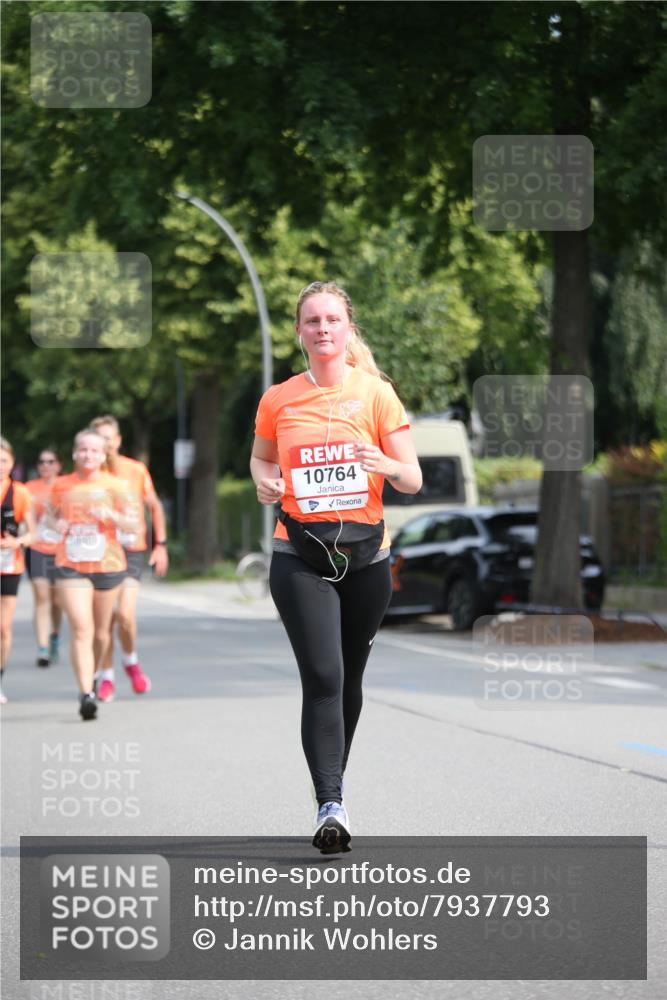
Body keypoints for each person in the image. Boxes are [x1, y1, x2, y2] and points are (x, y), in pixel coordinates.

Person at [250, 281, 422, 853]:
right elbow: (261, 459)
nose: (322, 328)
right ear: (299, 332)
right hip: (299, 553)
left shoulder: (376, 394)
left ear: (348, 329)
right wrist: (264, 483)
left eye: (331, 319)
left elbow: (412, 478)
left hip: (367, 557)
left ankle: (332, 784)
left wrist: (384, 463)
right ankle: (330, 803)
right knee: (323, 675)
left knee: (349, 679)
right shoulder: (279, 398)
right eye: (312, 321)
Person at [47, 429, 136, 721]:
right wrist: (57, 525)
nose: (88, 455)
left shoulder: (117, 486)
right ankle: (86, 694)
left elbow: (134, 525)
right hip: (71, 563)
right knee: (81, 628)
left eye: (94, 450)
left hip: (108, 563)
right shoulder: (61, 485)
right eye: (83, 449)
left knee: (100, 633)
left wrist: (112, 517)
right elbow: (48, 517)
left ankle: (94, 675)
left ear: (103, 455)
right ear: (75, 453)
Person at [89, 415, 169, 702]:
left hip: (132, 549)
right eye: (99, 438)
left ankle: (131, 661)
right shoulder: (90, 474)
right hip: (101, 552)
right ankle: (107, 676)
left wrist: (160, 545)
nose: (105, 443)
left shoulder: (135, 470)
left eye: (109, 437)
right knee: (105, 620)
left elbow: (155, 506)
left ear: (118, 440)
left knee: (124, 614)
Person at [1, 437, 36, 704]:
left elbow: (32, 533)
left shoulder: (20, 493)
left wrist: (18, 542)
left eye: (3, 460)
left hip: (8, 565)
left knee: (3, 627)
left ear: (12, 463)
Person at [26, 447, 63, 668]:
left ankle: (54, 636)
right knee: (42, 596)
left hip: (61, 550)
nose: (45, 466)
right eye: (41, 462)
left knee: (57, 601)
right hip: (37, 548)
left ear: (58, 465)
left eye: (50, 461)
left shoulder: (66, 486)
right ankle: (42, 648)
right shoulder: (29, 488)